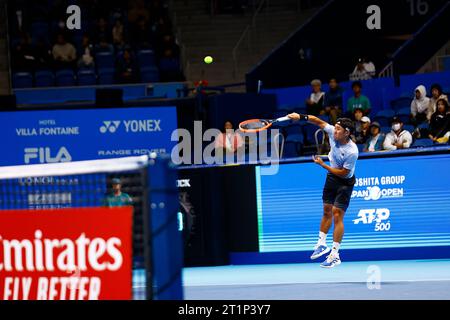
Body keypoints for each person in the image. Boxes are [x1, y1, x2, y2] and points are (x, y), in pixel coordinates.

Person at [287, 112, 358, 268]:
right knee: (326, 210)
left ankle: (335, 254)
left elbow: (343, 173)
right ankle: (321, 243)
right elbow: (316, 120)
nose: (335, 131)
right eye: (336, 128)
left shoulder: (352, 151)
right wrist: (300, 117)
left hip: (345, 182)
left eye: (339, 129)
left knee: (337, 214)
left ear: (347, 133)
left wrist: (323, 165)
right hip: (332, 178)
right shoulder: (333, 131)